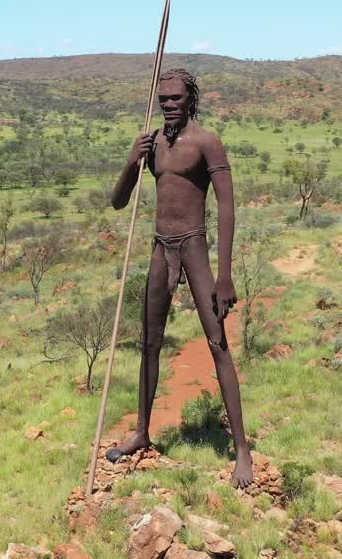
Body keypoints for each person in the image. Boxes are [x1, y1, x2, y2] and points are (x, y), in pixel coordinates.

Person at [106, 67, 254, 488]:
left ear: (190, 98)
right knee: (149, 342)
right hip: (160, 247)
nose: (169, 105)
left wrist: (224, 275)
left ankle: (241, 449)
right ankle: (142, 432)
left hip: (194, 246)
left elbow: (227, 207)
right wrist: (133, 162)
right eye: (163, 99)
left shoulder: (206, 142)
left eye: (176, 98)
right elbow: (118, 203)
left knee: (218, 342)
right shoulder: (152, 145)